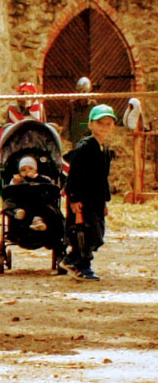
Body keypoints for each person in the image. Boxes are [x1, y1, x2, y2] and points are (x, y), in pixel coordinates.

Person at [64, 104, 117, 279]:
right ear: (91, 125)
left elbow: (103, 178)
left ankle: (72, 259)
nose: (105, 127)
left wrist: (105, 201)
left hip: (96, 199)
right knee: (84, 232)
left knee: (97, 233)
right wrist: (73, 198)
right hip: (82, 198)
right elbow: (73, 175)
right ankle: (82, 265)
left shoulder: (105, 150)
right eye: (100, 123)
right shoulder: (84, 148)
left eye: (109, 123)